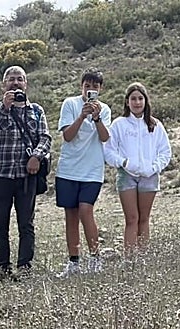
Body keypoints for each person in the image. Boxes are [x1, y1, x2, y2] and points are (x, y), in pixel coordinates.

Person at [0, 65, 52, 280]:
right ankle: (3, 267)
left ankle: (24, 267)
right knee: (0, 224)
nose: (15, 83)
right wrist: (5, 107)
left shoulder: (36, 110)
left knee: (26, 224)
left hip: (26, 177)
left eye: (19, 79)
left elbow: (45, 138)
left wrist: (36, 157)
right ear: (4, 84)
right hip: (0, 175)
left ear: (25, 84)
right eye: (11, 79)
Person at [102, 83, 172, 256]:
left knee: (144, 218)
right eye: (133, 99)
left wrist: (154, 167)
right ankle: (130, 258)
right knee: (132, 218)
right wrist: (124, 163)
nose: (137, 102)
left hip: (149, 176)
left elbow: (165, 151)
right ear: (127, 102)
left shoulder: (155, 125)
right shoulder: (119, 124)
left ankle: (143, 257)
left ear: (146, 101)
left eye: (140, 98)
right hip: (127, 175)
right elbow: (109, 150)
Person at [55, 70, 111, 278]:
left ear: (100, 89)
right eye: (87, 86)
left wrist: (96, 118)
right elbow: (68, 136)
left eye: (95, 87)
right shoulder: (70, 104)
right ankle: (74, 262)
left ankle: (95, 258)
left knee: (86, 211)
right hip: (69, 169)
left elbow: (105, 137)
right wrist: (82, 116)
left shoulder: (105, 109)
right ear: (81, 86)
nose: (90, 90)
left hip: (92, 171)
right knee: (71, 215)